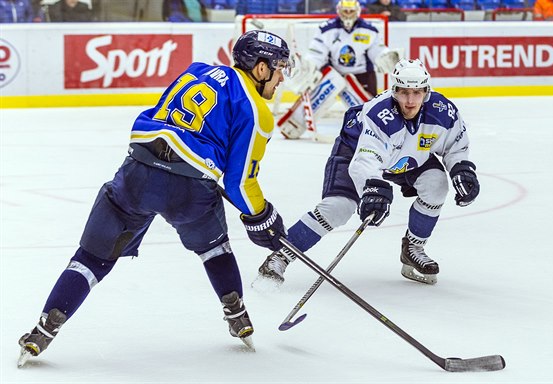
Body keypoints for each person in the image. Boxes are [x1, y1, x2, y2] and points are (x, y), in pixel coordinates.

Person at [17, 30, 293, 367]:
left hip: (138, 171)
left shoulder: (196, 70)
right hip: (189, 190)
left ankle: (43, 329)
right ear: (260, 69)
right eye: (279, 68)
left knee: (92, 258)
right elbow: (238, 182)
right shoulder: (256, 111)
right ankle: (237, 313)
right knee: (214, 246)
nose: (282, 77)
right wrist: (262, 217)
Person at [257, 58, 480, 286]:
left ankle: (413, 248)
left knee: (437, 184)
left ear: (427, 91)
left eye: (417, 92)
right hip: (354, 150)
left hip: (407, 156)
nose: (410, 100)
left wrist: (461, 168)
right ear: (394, 90)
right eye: (403, 92)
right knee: (338, 208)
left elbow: (456, 146)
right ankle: (280, 256)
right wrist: (372, 186)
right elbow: (366, 159)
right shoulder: (379, 113)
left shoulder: (444, 112)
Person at [278, 0, 402, 140]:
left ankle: (375, 127)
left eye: (351, 11)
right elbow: (317, 54)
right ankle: (293, 124)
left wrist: (384, 56)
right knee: (326, 84)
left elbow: (377, 51)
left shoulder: (369, 30)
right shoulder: (327, 29)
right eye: (345, 11)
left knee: (369, 112)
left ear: (357, 11)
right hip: (335, 74)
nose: (348, 14)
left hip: (362, 76)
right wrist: (310, 66)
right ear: (339, 11)